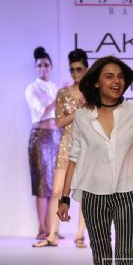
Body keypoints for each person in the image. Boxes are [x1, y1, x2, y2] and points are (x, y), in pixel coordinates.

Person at [57, 56, 133, 265]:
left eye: (120, 76)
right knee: (102, 258)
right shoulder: (83, 116)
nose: (116, 81)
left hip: (129, 192)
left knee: (124, 257)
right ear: (97, 81)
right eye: (109, 76)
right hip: (93, 194)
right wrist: (65, 196)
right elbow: (74, 156)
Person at [33, 49, 88, 248]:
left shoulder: (93, 92)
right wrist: (77, 113)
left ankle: (80, 236)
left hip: (87, 145)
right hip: (66, 143)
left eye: (79, 69)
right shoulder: (63, 93)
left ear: (86, 68)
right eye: (72, 69)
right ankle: (51, 235)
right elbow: (58, 122)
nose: (75, 73)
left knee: (84, 193)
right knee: (57, 191)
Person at [25, 47, 60, 241]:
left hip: (56, 136)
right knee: (41, 184)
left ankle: (53, 229)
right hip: (40, 136)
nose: (43, 68)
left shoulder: (55, 87)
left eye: (46, 65)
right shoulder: (32, 88)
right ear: (35, 67)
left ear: (51, 67)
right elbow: (41, 111)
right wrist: (57, 100)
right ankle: (42, 228)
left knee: (56, 185)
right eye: (39, 65)